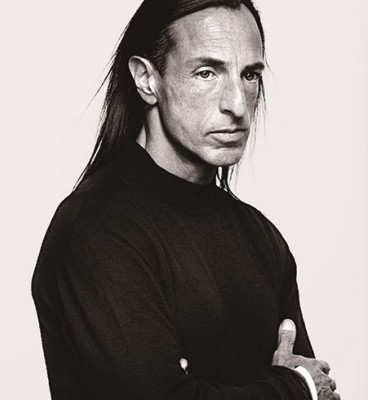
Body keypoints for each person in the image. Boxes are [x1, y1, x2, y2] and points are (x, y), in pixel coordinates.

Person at [32, 1, 340, 399]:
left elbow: (320, 389)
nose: (237, 105)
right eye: (207, 72)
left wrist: (298, 386)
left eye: (249, 75)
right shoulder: (96, 231)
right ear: (147, 80)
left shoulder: (260, 237)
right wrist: (292, 388)